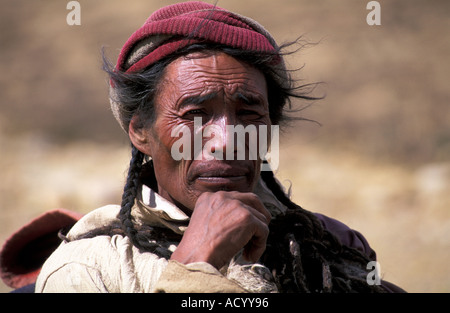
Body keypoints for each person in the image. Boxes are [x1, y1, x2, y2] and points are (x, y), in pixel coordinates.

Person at [35, 1, 404, 293]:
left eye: (248, 113)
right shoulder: (90, 268)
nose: (227, 142)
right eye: (195, 114)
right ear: (140, 131)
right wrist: (196, 265)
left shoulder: (331, 247)